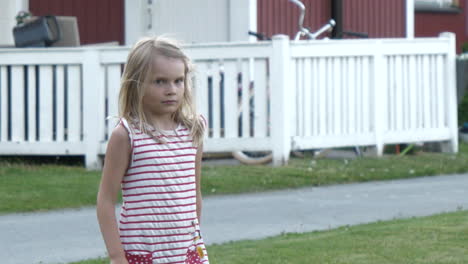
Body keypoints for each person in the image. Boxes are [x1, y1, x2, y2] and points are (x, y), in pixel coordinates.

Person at [97, 36, 209, 264]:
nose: (172, 90)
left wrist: (191, 242)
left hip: (186, 253)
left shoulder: (193, 130)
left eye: (178, 81)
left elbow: (194, 194)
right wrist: (117, 256)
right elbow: (105, 201)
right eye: (160, 82)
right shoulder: (126, 135)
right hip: (143, 254)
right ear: (136, 83)